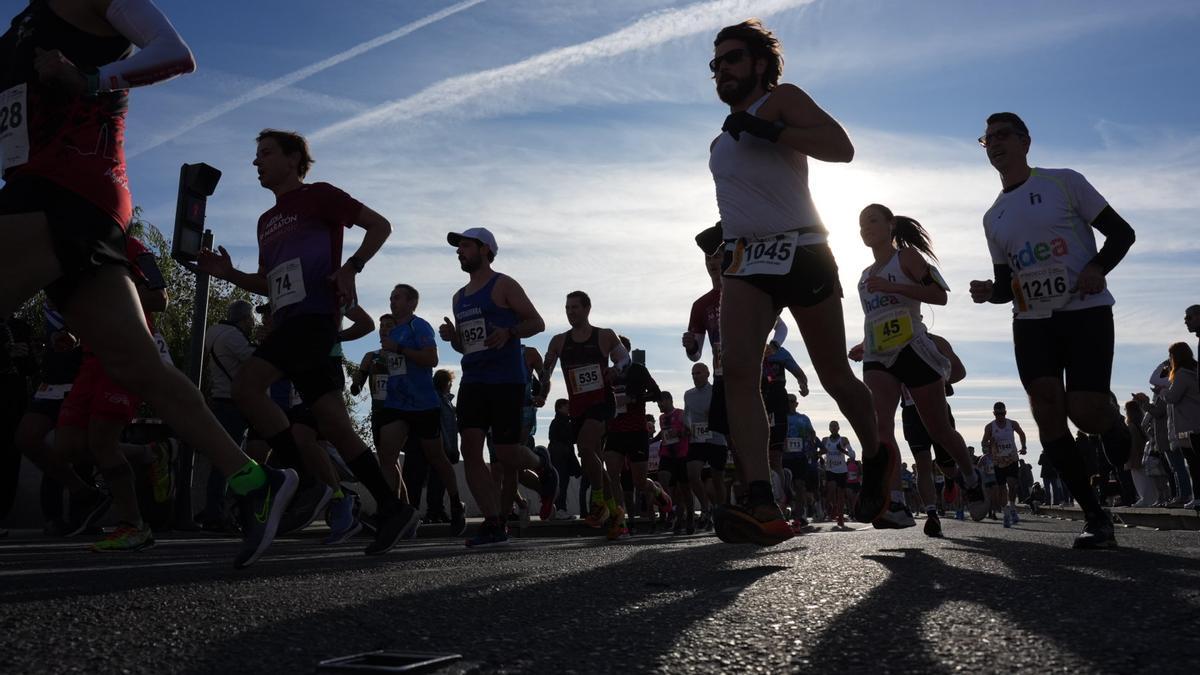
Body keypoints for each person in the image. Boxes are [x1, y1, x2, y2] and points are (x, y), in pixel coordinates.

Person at [0, 0, 295, 569]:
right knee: (142, 368)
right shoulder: (22, 24)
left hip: (66, 190)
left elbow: (175, 54)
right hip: (53, 193)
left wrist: (89, 77)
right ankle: (252, 479)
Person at [707, 19, 888, 546]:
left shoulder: (780, 99)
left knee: (832, 372)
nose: (722, 70)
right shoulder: (721, 139)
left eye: (733, 58)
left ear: (759, 63)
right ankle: (761, 499)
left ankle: (876, 455)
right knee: (738, 371)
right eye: (716, 63)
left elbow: (841, 147)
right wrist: (720, 235)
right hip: (745, 258)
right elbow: (751, 195)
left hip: (802, 249)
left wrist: (771, 131)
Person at [197, 129, 417, 556]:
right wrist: (229, 275)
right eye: (255, 154)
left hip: (315, 318)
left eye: (265, 153)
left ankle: (304, 483)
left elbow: (380, 225)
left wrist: (352, 266)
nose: (256, 162)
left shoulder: (319, 195)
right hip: (289, 323)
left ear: (294, 157)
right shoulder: (265, 222)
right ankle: (392, 508)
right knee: (333, 425)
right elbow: (268, 284)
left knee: (247, 388)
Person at [969, 111, 1135, 549]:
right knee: (1047, 411)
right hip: (1031, 322)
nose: (996, 143)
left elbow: (1122, 233)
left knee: (1084, 412)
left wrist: (1098, 267)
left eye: (1004, 135)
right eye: (988, 140)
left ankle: (1111, 421)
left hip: (1085, 312)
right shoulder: (993, 216)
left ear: (1026, 141)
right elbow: (1007, 284)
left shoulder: (1064, 182)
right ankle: (1095, 517)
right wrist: (991, 291)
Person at [853, 203, 988, 528]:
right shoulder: (863, 277)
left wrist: (894, 286)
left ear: (890, 226)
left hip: (913, 349)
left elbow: (939, 295)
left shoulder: (907, 257)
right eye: (861, 224)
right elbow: (877, 317)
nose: (866, 227)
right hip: (878, 355)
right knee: (880, 424)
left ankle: (970, 477)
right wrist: (865, 343)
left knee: (938, 430)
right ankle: (895, 502)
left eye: (873, 220)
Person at [439, 227, 556, 547]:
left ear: (485, 249)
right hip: (473, 379)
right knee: (471, 449)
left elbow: (537, 322)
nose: (459, 251)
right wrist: (454, 339)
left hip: (506, 380)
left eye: (465, 245)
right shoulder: (458, 298)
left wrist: (509, 332)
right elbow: (467, 347)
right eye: (458, 247)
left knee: (505, 453)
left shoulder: (503, 284)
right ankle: (494, 523)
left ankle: (542, 466)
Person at [375, 283, 466, 536]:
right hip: (396, 403)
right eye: (391, 297)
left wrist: (401, 350)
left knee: (436, 458)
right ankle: (393, 511)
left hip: (423, 404)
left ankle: (456, 502)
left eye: (397, 298)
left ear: (412, 303)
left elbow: (431, 360)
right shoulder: (391, 333)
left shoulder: (420, 327)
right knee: (386, 455)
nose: (392, 302)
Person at [541, 291, 628, 532]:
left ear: (587, 309)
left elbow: (625, 360)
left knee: (586, 447)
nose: (570, 312)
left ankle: (599, 502)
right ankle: (617, 514)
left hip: (601, 403)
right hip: (577, 409)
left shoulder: (605, 336)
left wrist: (615, 369)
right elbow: (546, 372)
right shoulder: (558, 341)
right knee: (594, 461)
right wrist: (541, 392)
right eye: (567, 308)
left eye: (575, 307)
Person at [14, 304, 82, 535]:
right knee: (29, 439)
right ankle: (53, 515)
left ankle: (79, 516)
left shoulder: (93, 286)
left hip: (81, 378)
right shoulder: (50, 288)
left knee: (74, 448)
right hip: (50, 381)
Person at [196, 300, 257, 529]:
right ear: (244, 318)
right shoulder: (233, 337)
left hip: (220, 400)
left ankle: (215, 509)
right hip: (233, 403)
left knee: (222, 458)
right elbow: (254, 360)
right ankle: (218, 512)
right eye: (251, 318)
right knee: (231, 460)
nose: (253, 323)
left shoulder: (214, 331)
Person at [606, 337, 662, 536]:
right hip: (614, 430)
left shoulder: (637, 370)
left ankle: (657, 492)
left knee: (639, 482)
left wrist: (635, 398)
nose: (613, 354)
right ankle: (620, 521)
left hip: (636, 431)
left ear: (626, 351)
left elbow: (656, 393)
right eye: (610, 350)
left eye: (617, 350)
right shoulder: (608, 373)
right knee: (612, 475)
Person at [684, 362, 726, 530]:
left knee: (717, 480)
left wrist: (715, 415)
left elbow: (726, 411)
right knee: (692, 475)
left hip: (716, 439)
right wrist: (687, 427)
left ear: (708, 374)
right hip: (698, 439)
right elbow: (686, 414)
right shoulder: (688, 394)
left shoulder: (716, 390)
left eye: (698, 373)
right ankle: (705, 508)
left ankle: (721, 512)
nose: (695, 376)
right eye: (693, 374)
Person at [1160, 343, 1200, 509]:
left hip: (1188, 425)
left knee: (1193, 463)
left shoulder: (1182, 375)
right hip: (1195, 421)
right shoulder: (1193, 372)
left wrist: (1163, 391)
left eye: (1170, 356)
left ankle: (1197, 497)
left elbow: (1172, 397)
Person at [982, 402, 1029, 528]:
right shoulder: (990, 427)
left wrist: (1023, 447)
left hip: (1012, 459)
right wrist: (989, 443)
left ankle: (1012, 508)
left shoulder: (1012, 424)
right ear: (994, 414)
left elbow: (1022, 433)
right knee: (1002, 488)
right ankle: (1006, 513)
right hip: (998, 462)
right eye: (997, 414)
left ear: (1005, 413)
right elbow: (983, 443)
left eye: (1002, 413)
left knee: (1012, 485)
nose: (1000, 416)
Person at [782, 393, 817, 528]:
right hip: (784, 457)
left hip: (800, 457)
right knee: (784, 487)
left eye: (792, 401)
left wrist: (810, 447)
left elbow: (812, 433)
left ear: (796, 403)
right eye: (787, 401)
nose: (789, 403)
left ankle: (799, 516)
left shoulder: (803, 418)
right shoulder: (780, 417)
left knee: (800, 485)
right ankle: (784, 512)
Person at [547, 398, 580, 520]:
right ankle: (560, 509)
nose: (569, 408)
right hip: (561, 457)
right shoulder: (562, 422)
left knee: (560, 483)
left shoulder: (559, 421)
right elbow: (569, 438)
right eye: (567, 406)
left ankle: (558, 509)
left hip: (559, 457)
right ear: (560, 407)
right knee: (562, 483)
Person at [818, 421, 851, 528]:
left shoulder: (844, 440)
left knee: (841, 496)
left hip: (842, 470)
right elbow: (821, 451)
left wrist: (843, 450)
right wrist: (818, 456)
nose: (833, 428)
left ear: (838, 428)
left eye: (835, 426)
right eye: (831, 426)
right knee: (831, 489)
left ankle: (840, 517)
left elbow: (853, 454)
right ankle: (833, 507)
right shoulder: (825, 440)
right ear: (829, 429)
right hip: (830, 469)